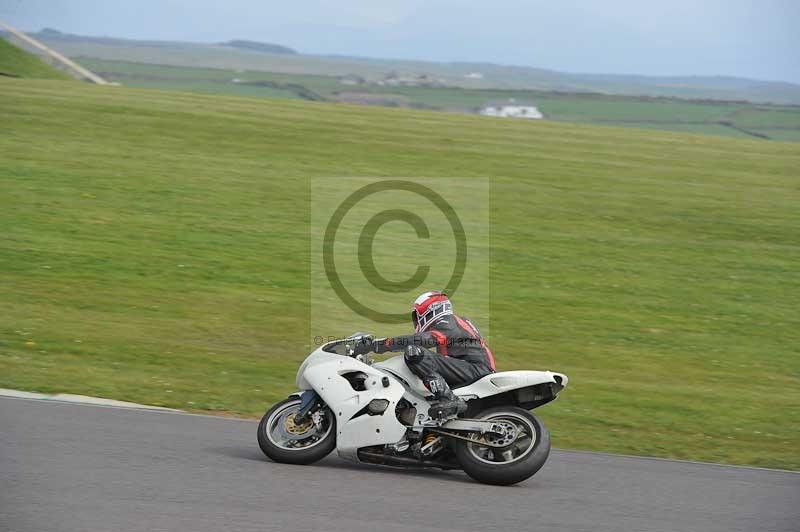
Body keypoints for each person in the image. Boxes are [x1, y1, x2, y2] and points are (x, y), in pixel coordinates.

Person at [368, 291, 495, 419]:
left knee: (415, 352)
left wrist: (382, 344)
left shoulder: (448, 322)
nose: (416, 321)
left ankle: (449, 399)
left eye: (417, 316)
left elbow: (423, 340)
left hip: (475, 369)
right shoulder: (454, 322)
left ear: (431, 311)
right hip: (470, 368)